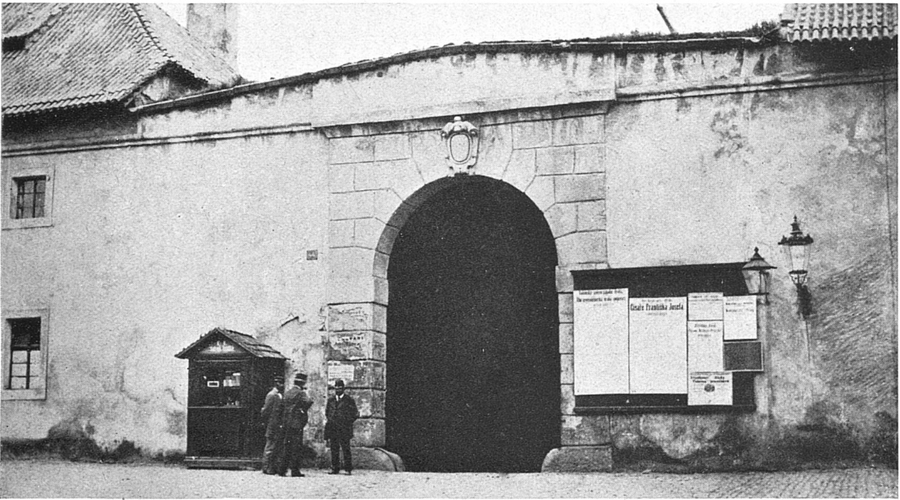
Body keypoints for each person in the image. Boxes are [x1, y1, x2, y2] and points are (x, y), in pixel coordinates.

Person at [280, 372, 313, 477]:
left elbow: (282, 406)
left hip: (287, 423)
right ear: (303, 383)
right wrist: (302, 409)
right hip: (297, 423)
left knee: (287, 446)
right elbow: (309, 401)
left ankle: (282, 469)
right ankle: (295, 470)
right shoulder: (301, 393)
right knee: (296, 447)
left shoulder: (288, 393)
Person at [325, 379, 359, 475]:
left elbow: (355, 414)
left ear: (343, 388)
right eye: (336, 387)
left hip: (344, 428)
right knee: (334, 449)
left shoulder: (349, 400)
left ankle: (348, 469)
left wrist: (347, 422)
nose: (338, 389)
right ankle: (335, 468)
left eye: (340, 387)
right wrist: (331, 420)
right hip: (333, 428)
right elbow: (327, 412)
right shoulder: (331, 400)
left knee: (346, 448)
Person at [260, 376, 285, 475]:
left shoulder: (279, 395)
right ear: (277, 384)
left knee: (275, 446)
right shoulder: (271, 395)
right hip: (272, 424)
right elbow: (265, 411)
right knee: (270, 446)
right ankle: (266, 467)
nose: (282, 385)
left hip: (277, 424)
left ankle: (273, 467)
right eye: (281, 383)